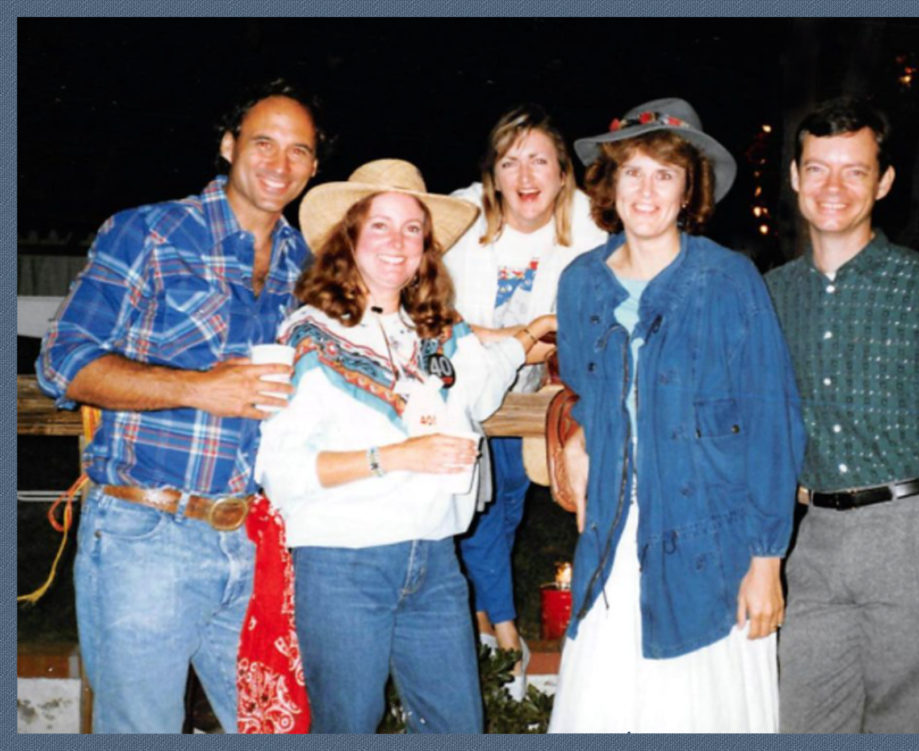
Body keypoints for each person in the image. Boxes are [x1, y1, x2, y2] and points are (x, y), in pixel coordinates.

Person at [34, 79, 324, 733]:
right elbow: (64, 362)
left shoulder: (305, 265)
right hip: (146, 536)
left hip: (257, 543)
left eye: (298, 151)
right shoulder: (150, 232)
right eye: (264, 143)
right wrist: (199, 386)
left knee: (275, 726)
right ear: (228, 145)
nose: (280, 164)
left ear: (313, 166)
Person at [255, 159, 557, 733]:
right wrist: (395, 457)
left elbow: (485, 380)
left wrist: (525, 338)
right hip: (345, 565)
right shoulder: (309, 333)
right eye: (380, 226)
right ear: (349, 237)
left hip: (437, 565)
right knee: (347, 727)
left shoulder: (436, 333)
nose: (398, 242)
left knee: (455, 728)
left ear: (426, 247)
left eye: (413, 228)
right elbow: (281, 471)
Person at [548, 98, 805, 733]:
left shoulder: (729, 280)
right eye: (632, 171)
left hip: (709, 544)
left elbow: (773, 422)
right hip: (613, 534)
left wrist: (767, 561)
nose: (646, 190)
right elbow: (584, 389)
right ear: (609, 183)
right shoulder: (581, 281)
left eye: (665, 174)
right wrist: (578, 438)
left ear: (689, 189)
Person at [767, 96, 919, 733]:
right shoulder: (769, 295)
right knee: (802, 723)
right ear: (794, 177)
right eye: (818, 168)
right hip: (813, 542)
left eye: (855, 170)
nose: (834, 187)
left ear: (885, 180)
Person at [444, 103, 606, 694]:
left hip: (549, 386)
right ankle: (505, 636)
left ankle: (488, 620)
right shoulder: (462, 221)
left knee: (529, 499)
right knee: (486, 502)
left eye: (540, 160)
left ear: (564, 172)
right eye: (510, 162)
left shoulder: (593, 224)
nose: (526, 176)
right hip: (476, 380)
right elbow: (432, 312)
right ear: (492, 175)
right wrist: (511, 340)